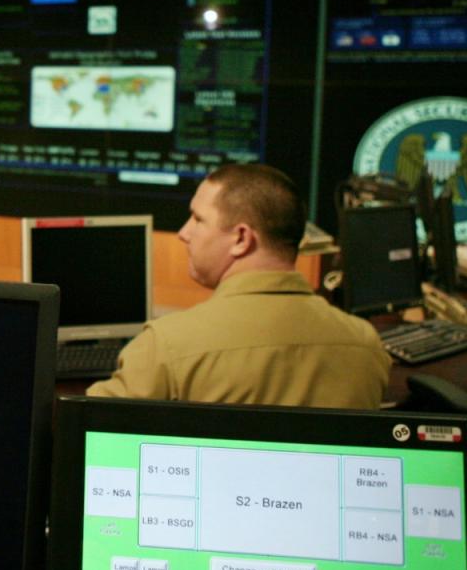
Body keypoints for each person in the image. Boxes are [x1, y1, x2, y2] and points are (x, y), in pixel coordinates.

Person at [87, 163, 390, 409]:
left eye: (198, 219)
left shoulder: (167, 345)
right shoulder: (366, 343)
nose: (184, 232)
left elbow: (83, 426)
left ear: (241, 239)